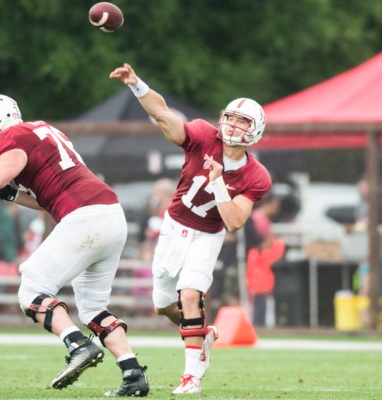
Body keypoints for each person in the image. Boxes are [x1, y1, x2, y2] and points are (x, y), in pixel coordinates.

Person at [0, 94, 150, 397]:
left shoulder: (11, 135)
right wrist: (10, 195)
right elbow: (48, 201)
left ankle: (78, 345)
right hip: (111, 215)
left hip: (85, 217)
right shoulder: (45, 131)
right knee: (93, 309)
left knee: (31, 290)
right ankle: (133, 375)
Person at [109, 63, 272, 394]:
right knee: (164, 306)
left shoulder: (256, 175)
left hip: (208, 235)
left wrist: (218, 184)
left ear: (254, 131)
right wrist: (137, 84)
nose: (234, 125)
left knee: (190, 293)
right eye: (231, 117)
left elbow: (235, 221)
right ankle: (203, 334)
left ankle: (191, 376)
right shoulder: (201, 135)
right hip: (174, 227)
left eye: (243, 121)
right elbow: (165, 116)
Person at [246, 194, 285, 327]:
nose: (277, 209)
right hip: (258, 266)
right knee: (258, 298)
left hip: (261, 267)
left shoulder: (262, 218)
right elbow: (262, 243)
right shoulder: (258, 218)